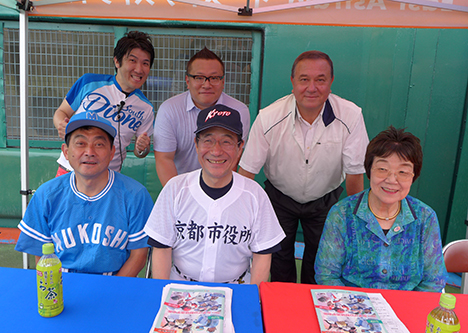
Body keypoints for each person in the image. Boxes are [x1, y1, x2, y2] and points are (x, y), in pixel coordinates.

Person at [239, 50, 369, 284]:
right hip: (279, 198)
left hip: (324, 199)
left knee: (321, 264)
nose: (312, 88)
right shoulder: (268, 117)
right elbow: (247, 172)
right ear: (292, 82)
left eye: (320, 80)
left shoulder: (350, 116)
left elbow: (355, 173)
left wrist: (354, 221)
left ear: (331, 83)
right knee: (279, 261)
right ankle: (282, 310)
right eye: (304, 79)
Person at [144, 104, 285, 285]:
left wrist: (251, 297)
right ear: (196, 144)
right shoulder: (175, 188)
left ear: (240, 147)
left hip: (237, 288)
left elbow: (263, 254)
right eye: (208, 140)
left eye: (226, 141)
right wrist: (163, 292)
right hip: (181, 286)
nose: (216, 151)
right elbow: (162, 248)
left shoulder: (254, 194)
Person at [15, 112, 153, 276]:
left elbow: (139, 256)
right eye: (80, 143)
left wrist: (110, 291)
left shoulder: (135, 195)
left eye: (99, 144)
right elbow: (42, 256)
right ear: (66, 152)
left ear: (111, 152)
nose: (89, 151)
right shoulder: (46, 195)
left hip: (115, 282)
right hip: (62, 282)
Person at [314, 126, 448, 292]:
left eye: (403, 172)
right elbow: (326, 274)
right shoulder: (342, 214)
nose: (392, 180)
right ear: (369, 170)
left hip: (406, 310)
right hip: (351, 309)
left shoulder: (425, 218)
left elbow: (434, 281)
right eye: (383, 169)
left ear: (414, 176)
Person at [53, 31, 155, 176]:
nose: (139, 69)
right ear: (117, 61)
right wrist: (61, 125)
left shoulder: (146, 108)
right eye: (132, 60)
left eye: (145, 63)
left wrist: (141, 148)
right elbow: (61, 112)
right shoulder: (89, 82)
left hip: (108, 176)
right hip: (70, 169)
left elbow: (142, 152)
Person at [153, 47, 250, 187]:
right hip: (181, 186)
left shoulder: (239, 111)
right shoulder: (169, 110)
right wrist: (178, 196)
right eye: (199, 78)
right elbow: (164, 159)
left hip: (221, 187)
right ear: (187, 80)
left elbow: (234, 158)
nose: (206, 84)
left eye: (214, 78)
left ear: (223, 82)